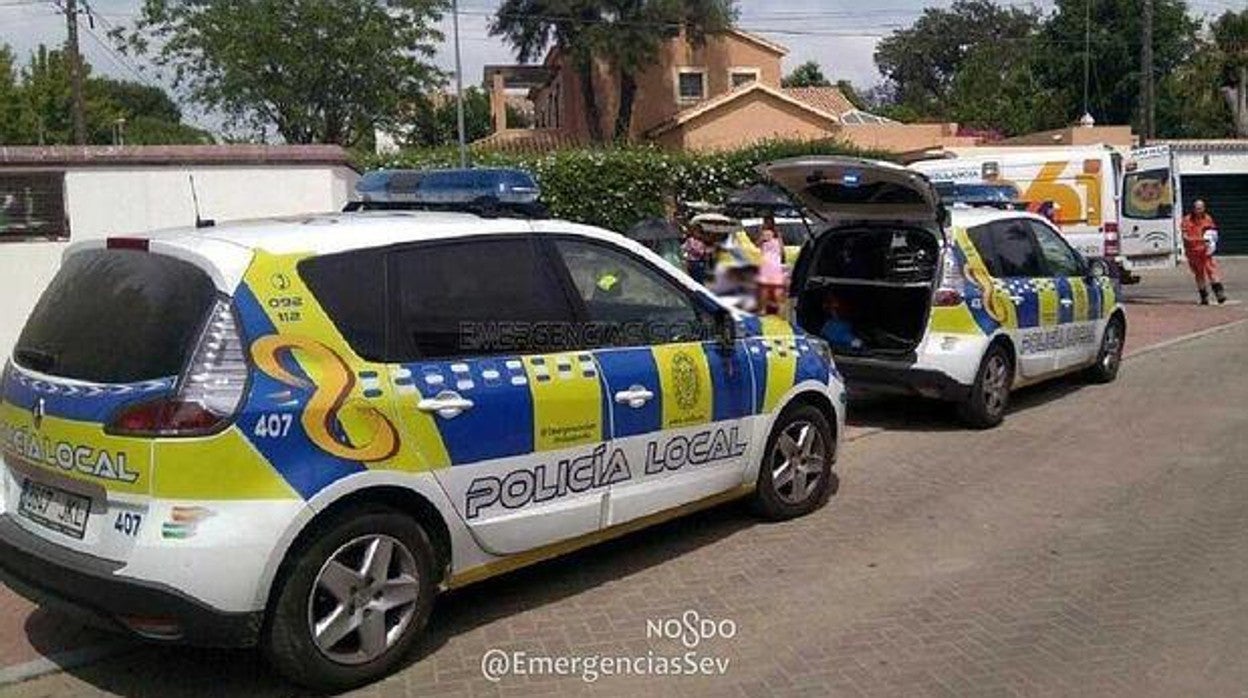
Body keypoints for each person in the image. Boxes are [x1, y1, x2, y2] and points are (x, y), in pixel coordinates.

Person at [1181, 199, 1227, 305]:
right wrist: (1200, 240)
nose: (1198, 210)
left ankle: (1220, 294)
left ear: (1204, 208)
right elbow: (1185, 237)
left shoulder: (1208, 218)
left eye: (1200, 208)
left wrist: (1212, 243)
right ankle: (1204, 296)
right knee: (1199, 274)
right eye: (1196, 208)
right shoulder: (1187, 220)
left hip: (1206, 251)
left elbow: (1213, 233)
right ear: (1193, 209)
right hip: (1193, 252)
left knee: (1212, 271)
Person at [756, 216, 786, 315]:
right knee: (777, 287)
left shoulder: (764, 234)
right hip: (776, 264)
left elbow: (758, 245)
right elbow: (782, 250)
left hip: (766, 264)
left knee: (764, 288)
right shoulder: (778, 235)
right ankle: (781, 310)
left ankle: (763, 309)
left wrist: (760, 234)